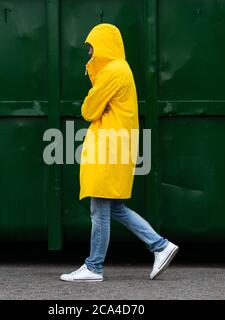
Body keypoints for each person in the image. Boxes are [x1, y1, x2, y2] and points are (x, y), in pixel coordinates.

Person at [60, 23, 178, 282]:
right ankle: (160, 245)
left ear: (103, 47)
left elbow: (89, 110)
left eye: (92, 49)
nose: (89, 55)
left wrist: (94, 81)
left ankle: (94, 267)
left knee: (99, 208)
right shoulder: (120, 69)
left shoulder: (112, 72)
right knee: (114, 207)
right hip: (115, 146)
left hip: (108, 147)